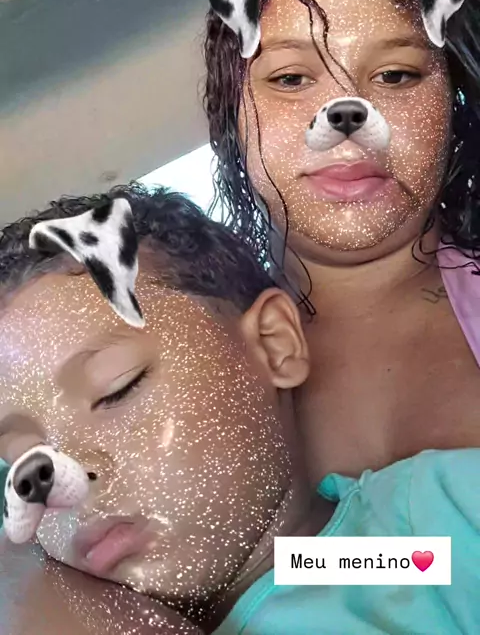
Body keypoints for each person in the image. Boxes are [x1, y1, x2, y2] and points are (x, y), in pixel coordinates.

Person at [1, 184, 480, 635]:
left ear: (273, 346)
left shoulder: (425, 532)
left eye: (117, 388)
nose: (65, 475)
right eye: (23, 459)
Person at [202, 0, 480, 484]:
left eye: (396, 75)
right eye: (290, 78)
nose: (345, 113)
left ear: (454, 101)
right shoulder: (192, 363)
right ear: (233, 114)